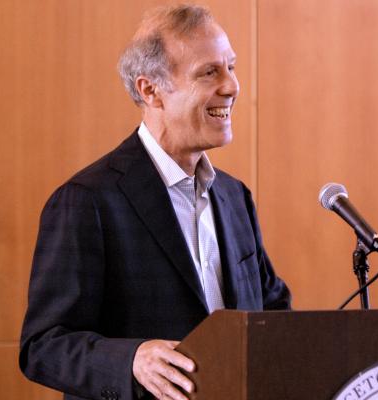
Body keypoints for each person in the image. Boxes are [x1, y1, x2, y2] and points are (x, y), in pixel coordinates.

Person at [19, 5, 291, 400]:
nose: (232, 86)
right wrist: (131, 360)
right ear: (151, 90)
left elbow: (273, 313)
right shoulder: (86, 202)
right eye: (209, 72)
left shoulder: (234, 197)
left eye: (231, 67)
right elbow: (43, 347)